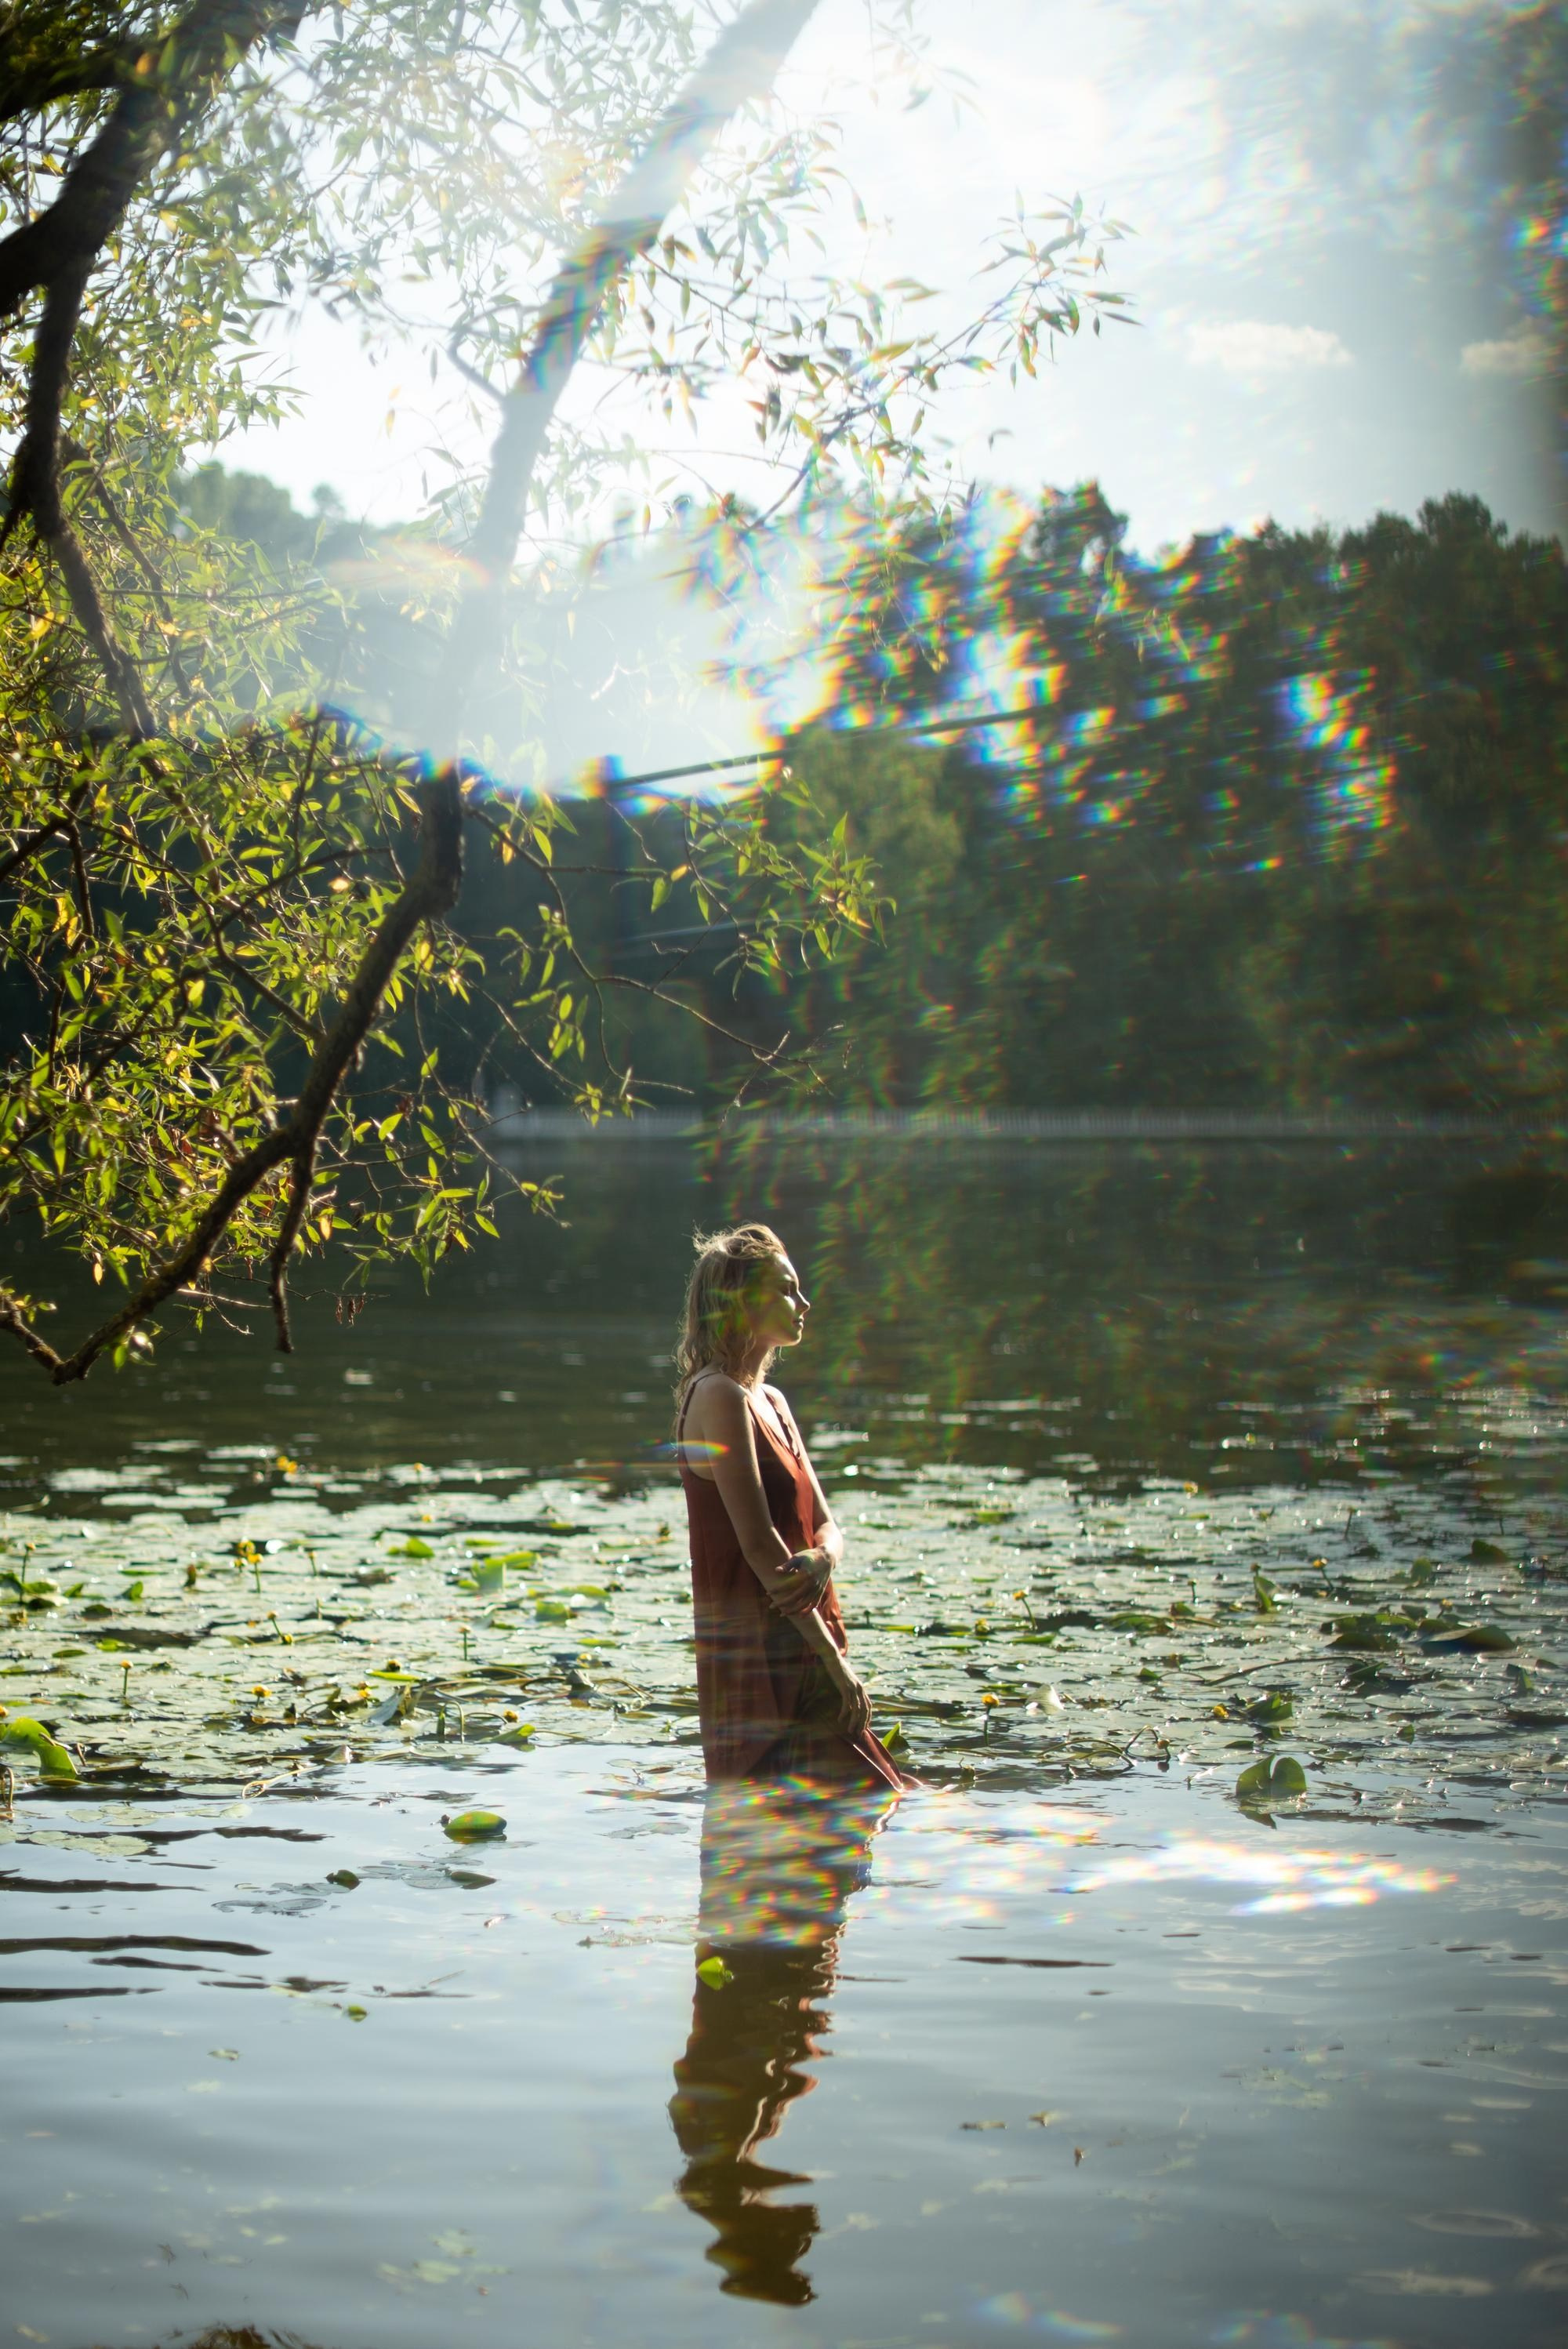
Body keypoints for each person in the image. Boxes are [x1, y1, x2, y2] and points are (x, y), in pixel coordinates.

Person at [673, 1222, 910, 1790]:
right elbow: (759, 1547)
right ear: (741, 1303)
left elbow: (826, 1523)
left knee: (856, 1819)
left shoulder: (771, 1400)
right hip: (760, 1661)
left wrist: (827, 1557)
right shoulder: (718, 1395)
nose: (803, 1303)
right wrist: (835, 1664)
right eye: (787, 1290)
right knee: (842, 1815)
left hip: (807, 1640)